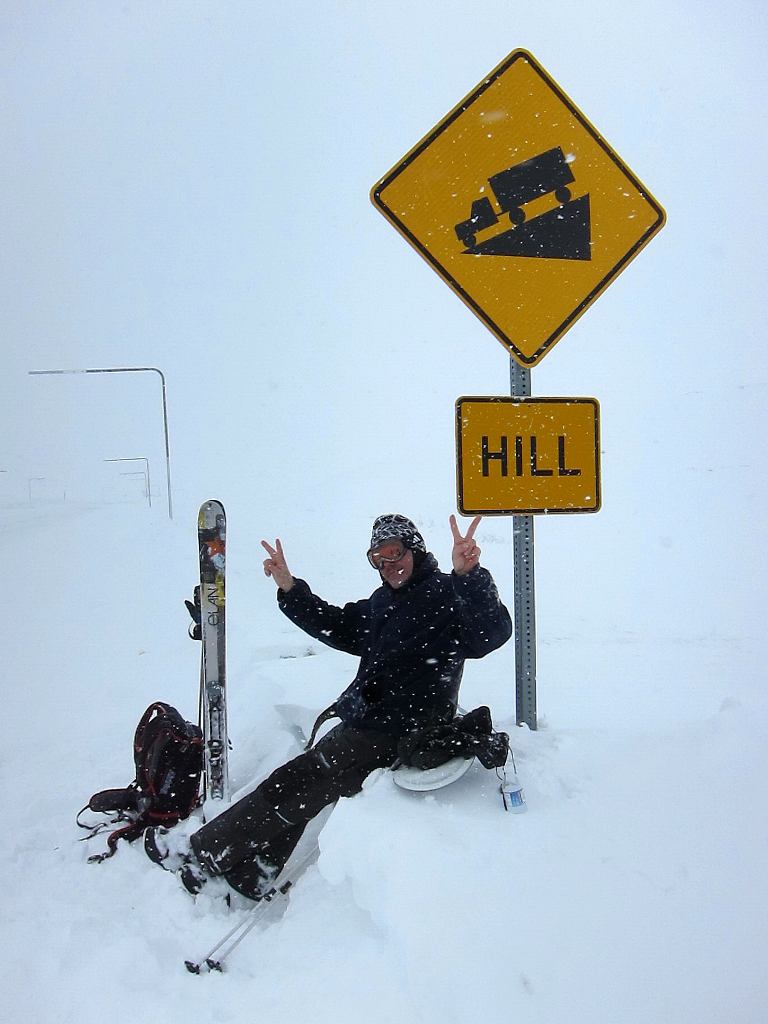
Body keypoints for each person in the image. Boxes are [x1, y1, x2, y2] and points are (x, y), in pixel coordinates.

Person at [145, 513, 512, 899]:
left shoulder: (446, 594)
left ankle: (202, 854)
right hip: (367, 722)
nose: (388, 565)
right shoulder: (385, 601)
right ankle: (253, 872)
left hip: (402, 732)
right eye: (378, 558)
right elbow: (337, 624)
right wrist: (289, 588)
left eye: (394, 552)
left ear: (414, 550)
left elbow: (491, 634)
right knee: (305, 785)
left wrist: (470, 576)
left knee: (296, 781)